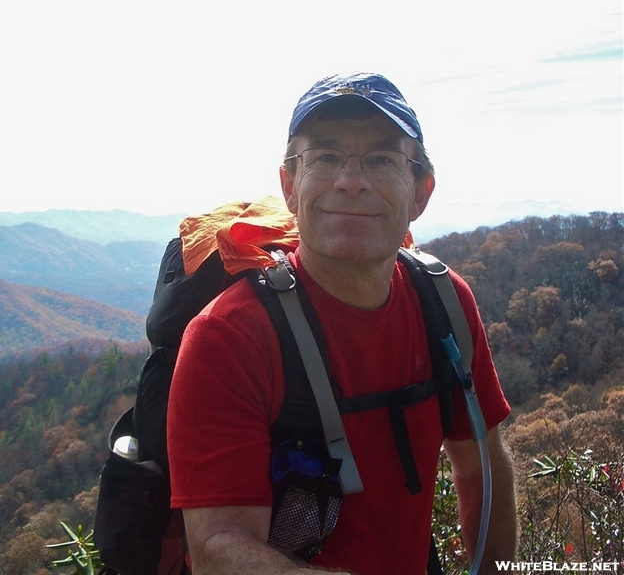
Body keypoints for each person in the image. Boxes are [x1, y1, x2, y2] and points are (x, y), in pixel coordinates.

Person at [166, 72, 518, 574]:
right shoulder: (230, 337)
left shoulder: (443, 300)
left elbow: (483, 467)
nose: (350, 181)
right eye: (326, 157)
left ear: (421, 191)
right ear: (289, 186)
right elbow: (218, 545)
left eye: (381, 159)